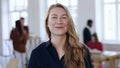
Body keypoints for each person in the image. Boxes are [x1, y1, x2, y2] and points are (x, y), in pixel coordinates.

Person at [28, 3, 93, 68]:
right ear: (47, 23)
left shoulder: (82, 51)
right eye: (54, 17)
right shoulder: (37, 53)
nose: (59, 21)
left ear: (69, 23)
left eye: (63, 17)